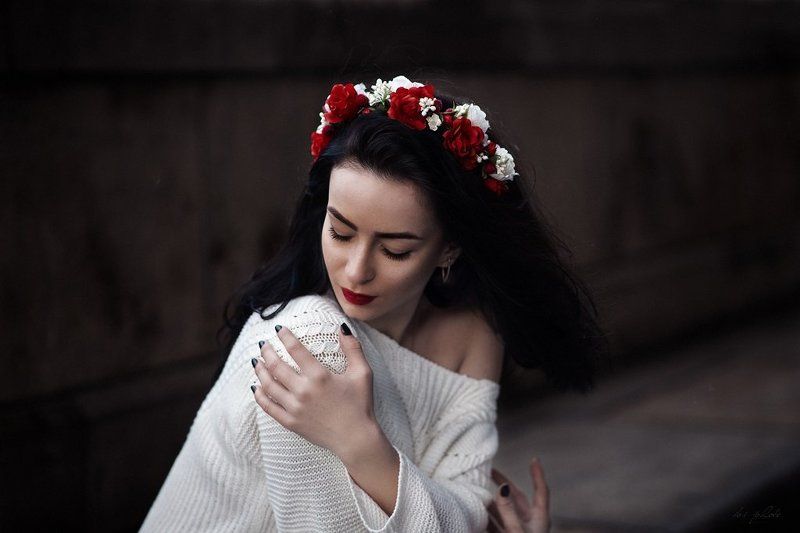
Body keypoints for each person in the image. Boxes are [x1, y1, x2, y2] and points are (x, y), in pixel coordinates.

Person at [140, 75, 605, 532]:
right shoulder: (309, 345)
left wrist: (362, 445)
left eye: (395, 250)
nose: (356, 270)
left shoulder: (473, 335)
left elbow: (470, 502)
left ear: (449, 248)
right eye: (340, 232)